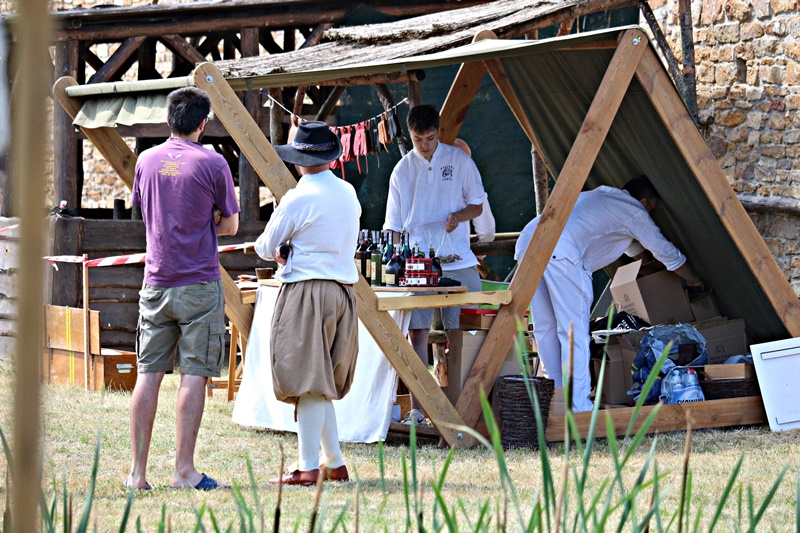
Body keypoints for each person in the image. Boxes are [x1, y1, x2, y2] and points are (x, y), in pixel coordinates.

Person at [127, 87, 240, 490]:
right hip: (199, 284)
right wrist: (210, 218)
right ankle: (184, 471)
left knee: (148, 374)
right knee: (194, 375)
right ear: (203, 123)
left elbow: (147, 212)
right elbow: (231, 226)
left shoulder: (145, 160)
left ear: (168, 119)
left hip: (156, 283)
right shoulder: (213, 163)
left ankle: (137, 474)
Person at [514, 176, 703, 412]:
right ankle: (578, 407)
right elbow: (665, 251)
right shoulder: (632, 209)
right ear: (644, 201)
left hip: (528, 240)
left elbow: (639, 253)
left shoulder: (605, 198)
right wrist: (695, 281)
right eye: (652, 209)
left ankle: (555, 400)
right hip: (560, 250)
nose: (650, 215)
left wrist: (656, 272)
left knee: (546, 329)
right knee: (574, 331)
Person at [255, 121, 361, 486]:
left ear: (299, 160)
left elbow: (265, 246)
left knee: (307, 379)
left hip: (307, 291)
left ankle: (307, 467)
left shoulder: (298, 197)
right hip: (343, 292)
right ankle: (334, 462)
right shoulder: (348, 192)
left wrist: (283, 250)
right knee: (320, 379)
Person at [384, 105, 486, 425]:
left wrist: (459, 216)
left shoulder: (459, 161)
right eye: (418, 139)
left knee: (467, 331)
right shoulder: (402, 170)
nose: (424, 145)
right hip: (418, 262)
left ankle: (465, 407)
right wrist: (395, 258)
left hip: (459, 258)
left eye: (429, 138)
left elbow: (477, 205)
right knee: (417, 333)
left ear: (439, 133)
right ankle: (418, 409)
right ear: (410, 135)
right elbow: (393, 225)